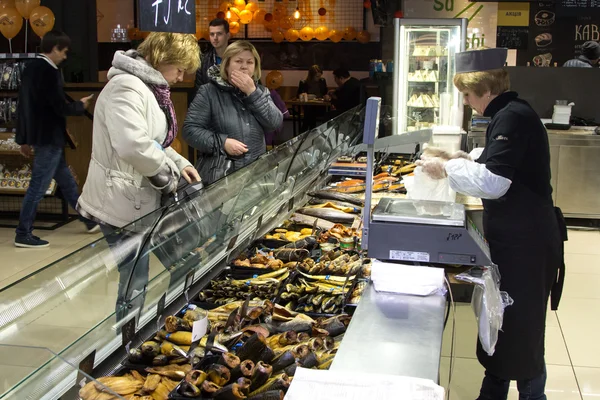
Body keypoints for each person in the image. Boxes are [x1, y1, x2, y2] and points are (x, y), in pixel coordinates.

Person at [417, 48, 566, 400]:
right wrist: (461, 157)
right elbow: (497, 162)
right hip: (517, 239)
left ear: (485, 88)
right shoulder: (511, 113)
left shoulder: (513, 117)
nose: (467, 103)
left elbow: (495, 182)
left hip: (526, 245)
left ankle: (533, 395)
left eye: (467, 95)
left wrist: (447, 169)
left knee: (522, 331)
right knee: (503, 328)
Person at [77, 32, 201, 319]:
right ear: (160, 59)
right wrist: (169, 174)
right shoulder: (126, 88)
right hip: (120, 202)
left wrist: (179, 163)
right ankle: (125, 343)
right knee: (135, 279)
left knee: (159, 269)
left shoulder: (147, 87)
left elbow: (154, 142)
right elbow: (133, 145)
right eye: (179, 69)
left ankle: (155, 327)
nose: (181, 77)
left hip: (139, 199)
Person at [14, 30, 97, 248]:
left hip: (43, 137)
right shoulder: (49, 72)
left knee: (67, 182)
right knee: (38, 186)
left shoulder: (30, 69)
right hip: (49, 137)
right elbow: (58, 107)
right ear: (55, 49)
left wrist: (23, 138)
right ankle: (23, 232)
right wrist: (80, 105)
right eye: (64, 51)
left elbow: (24, 107)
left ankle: (86, 219)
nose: (65, 57)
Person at [183, 40, 283, 184]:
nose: (244, 67)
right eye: (238, 61)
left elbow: (275, 123)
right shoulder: (208, 91)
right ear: (227, 65)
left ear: (255, 68)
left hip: (256, 175)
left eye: (250, 62)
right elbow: (190, 130)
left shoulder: (261, 92)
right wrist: (222, 143)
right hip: (221, 177)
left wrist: (252, 93)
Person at [195, 18, 230, 89]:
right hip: (209, 99)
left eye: (219, 34)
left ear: (228, 35)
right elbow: (199, 89)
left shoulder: (237, 58)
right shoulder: (203, 60)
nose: (215, 38)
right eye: (212, 34)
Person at [297, 65, 328, 132]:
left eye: (320, 76)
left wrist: (326, 96)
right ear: (311, 75)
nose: (319, 78)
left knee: (309, 115)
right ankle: (312, 131)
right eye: (317, 76)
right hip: (308, 106)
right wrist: (303, 95)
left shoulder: (322, 81)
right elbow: (298, 95)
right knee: (310, 112)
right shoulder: (304, 83)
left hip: (320, 106)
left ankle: (304, 132)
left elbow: (325, 93)